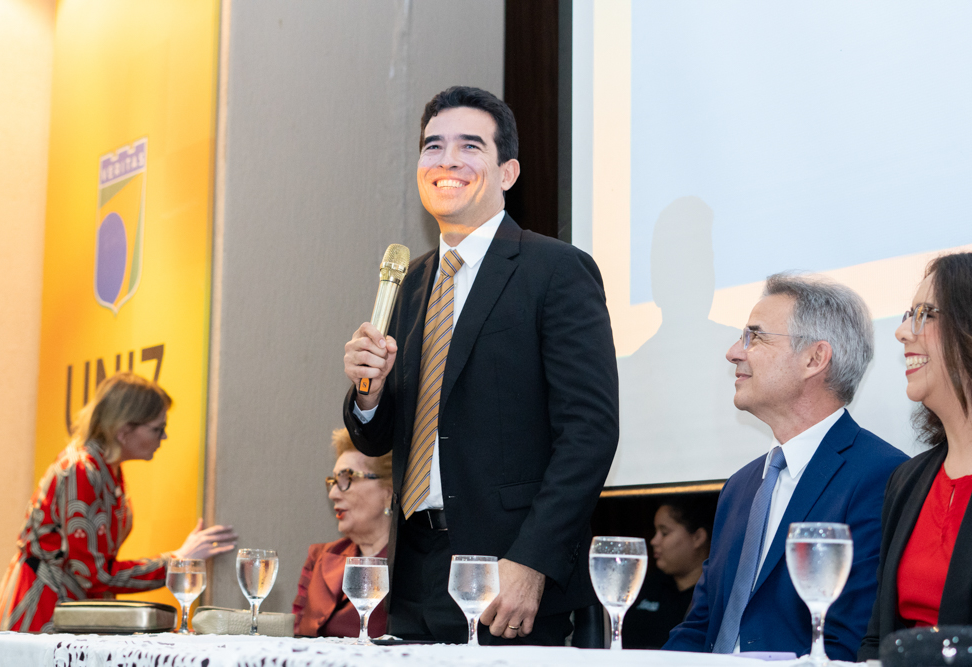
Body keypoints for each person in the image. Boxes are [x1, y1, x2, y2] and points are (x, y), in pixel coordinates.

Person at [341, 86, 618, 645]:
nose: (447, 161)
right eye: (433, 146)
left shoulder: (556, 270)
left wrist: (532, 560)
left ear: (508, 172)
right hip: (414, 569)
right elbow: (379, 440)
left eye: (470, 147)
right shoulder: (409, 283)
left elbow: (589, 433)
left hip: (507, 573)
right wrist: (368, 396)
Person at [663, 273, 908, 660]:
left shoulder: (883, 477)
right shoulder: (740, 487)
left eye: (755, 337)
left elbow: (849, 643)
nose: (733, 352)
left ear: (814, 359)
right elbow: (699, 628)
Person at [0, 372, 237, 632]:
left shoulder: (105, 468)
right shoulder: (81, 470)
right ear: (123, 431)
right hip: (44, 609)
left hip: (71, 607)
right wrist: (175, 562)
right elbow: (94, 574)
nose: (163, 437)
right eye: (157, 429)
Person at [857, 253, 972, 660]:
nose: (902, 331)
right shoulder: (907, 481)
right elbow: (877, 638)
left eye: (924, 314)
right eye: (908, 314)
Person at [293, 428, 391, 637]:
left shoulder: (412, 566)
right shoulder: (320, 557)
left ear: (389, 491)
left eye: (347, 479)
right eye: (334, 482)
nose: (333, 494)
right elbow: (295, 635)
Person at [623, 498, 713, 649]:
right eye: (655, 532)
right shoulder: (644, 586)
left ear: (698, 537)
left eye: (664, 533)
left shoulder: (713, 595)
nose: (654, 541)